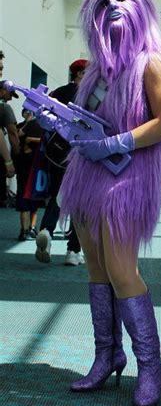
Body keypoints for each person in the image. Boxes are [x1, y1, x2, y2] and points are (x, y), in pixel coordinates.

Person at [56, 0, 161, 406]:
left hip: (128, 177)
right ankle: (106, 355)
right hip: (88, 175)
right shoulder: (96, 70)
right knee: (95, 268)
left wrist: (115, 143)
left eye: (123, 0)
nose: (113, 8)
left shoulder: (155, 62)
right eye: (105, 1)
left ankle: (150, 368)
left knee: (123, 270)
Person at [34, 59, 88, 265]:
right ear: (80, 74)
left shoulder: (58, 92)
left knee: (58, 195)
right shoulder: (88, 96)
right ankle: (73, 251)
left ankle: (47, 230)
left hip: (56, 154)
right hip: (81, 154)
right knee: (80, 203)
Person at [16, 109, 43, 240]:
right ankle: (29, 228)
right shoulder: (37, 125)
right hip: (32, 164)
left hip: (28, 163)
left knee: (27, 197)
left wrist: (28, 139)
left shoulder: (24, 126)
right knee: (31, 196)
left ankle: (26, 229)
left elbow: (18, 137)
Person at [0, 80, 20, 205]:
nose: (10, 99)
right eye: (10, 94)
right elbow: (12, 133)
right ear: (2, 91)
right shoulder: (4, 107)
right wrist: (13, 158)